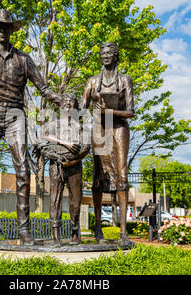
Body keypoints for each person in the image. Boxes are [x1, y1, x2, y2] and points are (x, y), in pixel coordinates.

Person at [0, 9, 60, 245]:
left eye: (6, 27)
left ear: (11, 31)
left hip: (16, 115)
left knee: (23, 172)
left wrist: (61, 100)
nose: (2, 31)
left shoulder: (24, 60)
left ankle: (24, 231)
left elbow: (43, 88)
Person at [81, 42, 135, 243]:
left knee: (121, 173)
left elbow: (131, 111)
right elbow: (81, 107)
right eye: (102, 53)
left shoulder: (124, 80)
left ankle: (123, 232)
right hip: (100, 129)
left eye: (109, 53)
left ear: (116, 56)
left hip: (119, 127)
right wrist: (90, 96)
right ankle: (98, 230)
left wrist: (109, 112)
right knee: (99, 174)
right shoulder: (93, 81)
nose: (105, 56)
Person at [35, 93, 90, 246]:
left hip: (75, 166)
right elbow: (43, 141)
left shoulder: (82, 128)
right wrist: (64, 144)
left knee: (75, 200)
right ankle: (56, 235)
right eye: (65, 103)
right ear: (60, 107)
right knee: (55, 198)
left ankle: (74, 233)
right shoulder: (53, 125)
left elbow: (86, 148)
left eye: (71, 102)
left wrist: (72, 162)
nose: (68, 105)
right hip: (56, 165)